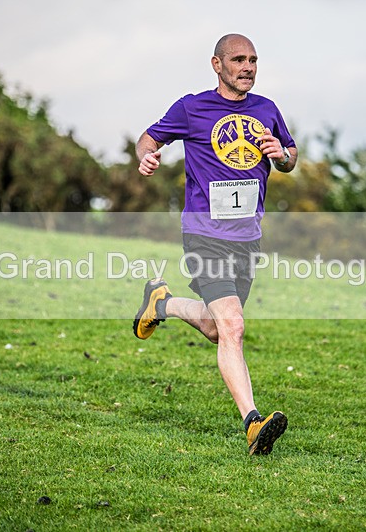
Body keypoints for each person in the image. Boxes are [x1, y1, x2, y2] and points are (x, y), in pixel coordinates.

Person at [132, 34, 298, 455]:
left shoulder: (267, 109)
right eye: (239, 60)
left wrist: (282, 153)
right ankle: (252, 422)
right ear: (217, 64)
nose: (248, 67)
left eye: (253, 60)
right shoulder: (192, 108)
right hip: (204, 235)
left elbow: (291, 157)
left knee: (213, 327)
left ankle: (161, 303)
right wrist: (146, 156)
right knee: (233, 326)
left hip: (248, 238)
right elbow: (149, 137)